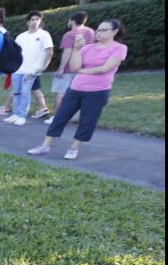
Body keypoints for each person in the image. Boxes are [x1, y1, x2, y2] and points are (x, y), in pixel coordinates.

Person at [27, 19, 128, 160]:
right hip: (76, 88)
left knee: (87, 120)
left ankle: (74, 148)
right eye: (98, 30)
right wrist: (76, 48)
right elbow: (74, 67)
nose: (99, 33)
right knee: (60, 116)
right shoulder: (88, 48)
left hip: (98, 91)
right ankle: (45, 146)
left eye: (104, 30)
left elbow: (104, 68)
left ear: (114, 31)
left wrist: (83, 71)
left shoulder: (120, 48)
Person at [44, 11, 95, 126]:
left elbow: (67, 52)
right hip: (83, 68)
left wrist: (61, 68)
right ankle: (75, 117)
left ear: (72, 21)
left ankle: (58, 117)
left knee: (60, 92)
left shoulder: (70, 34)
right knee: (79, 93)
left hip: (69, 68)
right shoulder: (91, 32)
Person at [3, 11, 53, 126]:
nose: (34, 21)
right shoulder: (21, 36)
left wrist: (44, 66)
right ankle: (15, 114)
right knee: (16, 92)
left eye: (37, 19)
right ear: (28, 22)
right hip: (18, 69)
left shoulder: (44, 35)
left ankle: (22, 116)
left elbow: (49, 51)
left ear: (40, 21)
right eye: (32, 19)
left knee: (25, 92)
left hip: (32, 70)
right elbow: (15, 52)